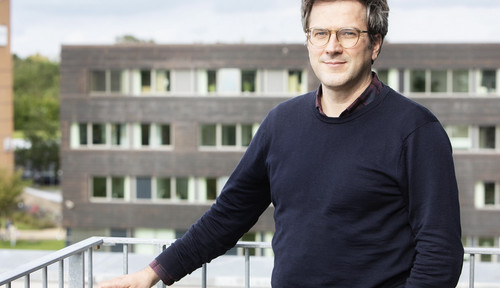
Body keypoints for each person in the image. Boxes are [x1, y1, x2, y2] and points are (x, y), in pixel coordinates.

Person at [97, 0, 464, 287]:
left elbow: (440, 252)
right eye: (319, 33)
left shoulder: (416, 131)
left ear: (375, 44)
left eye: (348, 34)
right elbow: (229, 215)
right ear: (308, 41)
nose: (331, 47)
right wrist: (152, 273)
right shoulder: (281, 123)